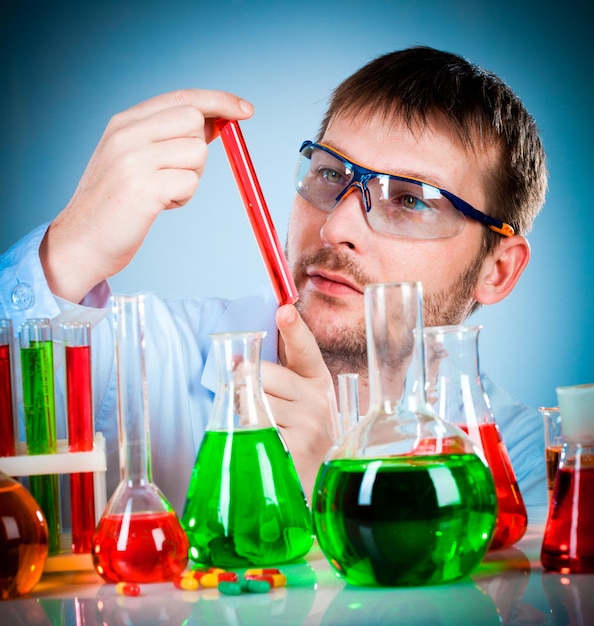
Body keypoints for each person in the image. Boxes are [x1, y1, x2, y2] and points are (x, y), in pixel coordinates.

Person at [0, 46, 548, 517]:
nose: (336, 228)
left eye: (409, 201)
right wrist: (69, 251)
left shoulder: (529, 464)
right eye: (332, 174)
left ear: (497, 270)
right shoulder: (149, 360)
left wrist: (339, 499)